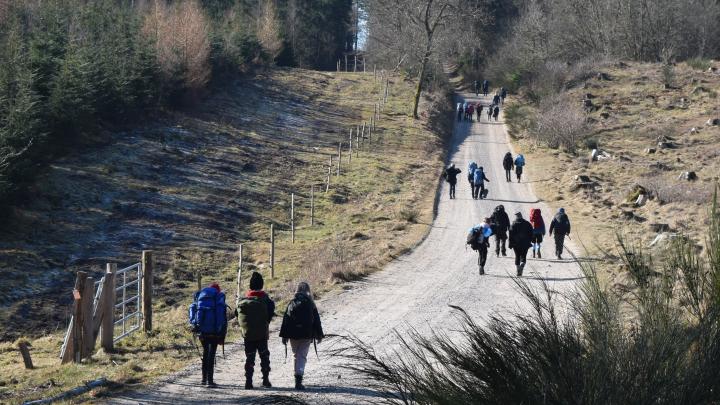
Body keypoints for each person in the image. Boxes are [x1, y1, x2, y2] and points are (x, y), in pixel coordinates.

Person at [279, 282, 324, 391]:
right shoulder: (311, 304)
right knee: (302, 356)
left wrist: (284, 336)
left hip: (293, 335)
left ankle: (297, 379)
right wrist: (319, 335)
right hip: (306, 334)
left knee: (296, 355)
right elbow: (317, 321)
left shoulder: (291, 303)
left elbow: (286, 320)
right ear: (308, 291)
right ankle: (298, 380)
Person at [237, 271, 276, 390]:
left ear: (250, 285)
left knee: (250, 357)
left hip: (248, 335)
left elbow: (237, 315)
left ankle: (248, 381)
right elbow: (270, 313)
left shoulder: (244, 301)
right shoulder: (266, 300)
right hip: (262, 333)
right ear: (262, 284)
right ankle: (265, 380)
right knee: (264, 356)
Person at [189, 282, 228, 388]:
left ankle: (203, 379)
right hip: (214, 331)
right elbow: (221, 316)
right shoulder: (218, 298)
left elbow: (193, 310)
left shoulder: (201, 297)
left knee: (206, 352)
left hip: (201, 330)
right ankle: (210, 381)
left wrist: (196, 325)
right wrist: (220, 330)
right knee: (211, 354)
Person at [509, 212, 533, 276]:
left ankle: (518, 269)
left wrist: (510, 243)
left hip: (516, 244)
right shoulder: (527, 223)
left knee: (517, 256)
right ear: (521, 216)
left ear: (516, 217)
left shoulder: (513, 224)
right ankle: (522, 265)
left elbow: (510, 235)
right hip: (525, 243)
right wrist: (530, 241)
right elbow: (531, 233)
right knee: (523, 256)